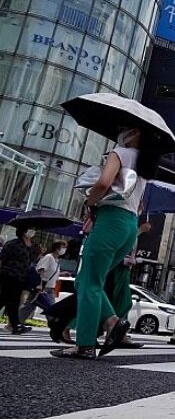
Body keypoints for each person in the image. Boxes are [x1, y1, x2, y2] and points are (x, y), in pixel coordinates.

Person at [51, 127, 154, 359]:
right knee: (88, 280)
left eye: (129, 129)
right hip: (128, 227)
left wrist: (90, 202)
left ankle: (85, 344)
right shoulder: (145, 164)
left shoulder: (120, 153)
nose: (124, 131)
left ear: (137, 134)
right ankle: (113, 321)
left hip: (110, 221)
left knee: (89, 283)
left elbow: (102, 183)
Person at [0, 226, 37, 334]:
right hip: (8, 275)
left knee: (7, 299)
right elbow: (2, 258)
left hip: (20, 277)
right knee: (12, 301)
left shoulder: (30, 246)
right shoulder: (13, 244)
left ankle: (15, 325)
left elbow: (30, 262)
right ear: (24, 231)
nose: (33, 232)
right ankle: (16, 325)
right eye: (30, 229)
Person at [35, 241, 67, 309]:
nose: (64, 249)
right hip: (43, 286)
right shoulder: (49, 257)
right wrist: (40, 284)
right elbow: (41, 271)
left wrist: (62, 274)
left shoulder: (56, 260)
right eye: (63, 247)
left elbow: (51, 272)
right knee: (50, 308)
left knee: (50, 308)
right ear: (56, 248)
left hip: (50, 288)